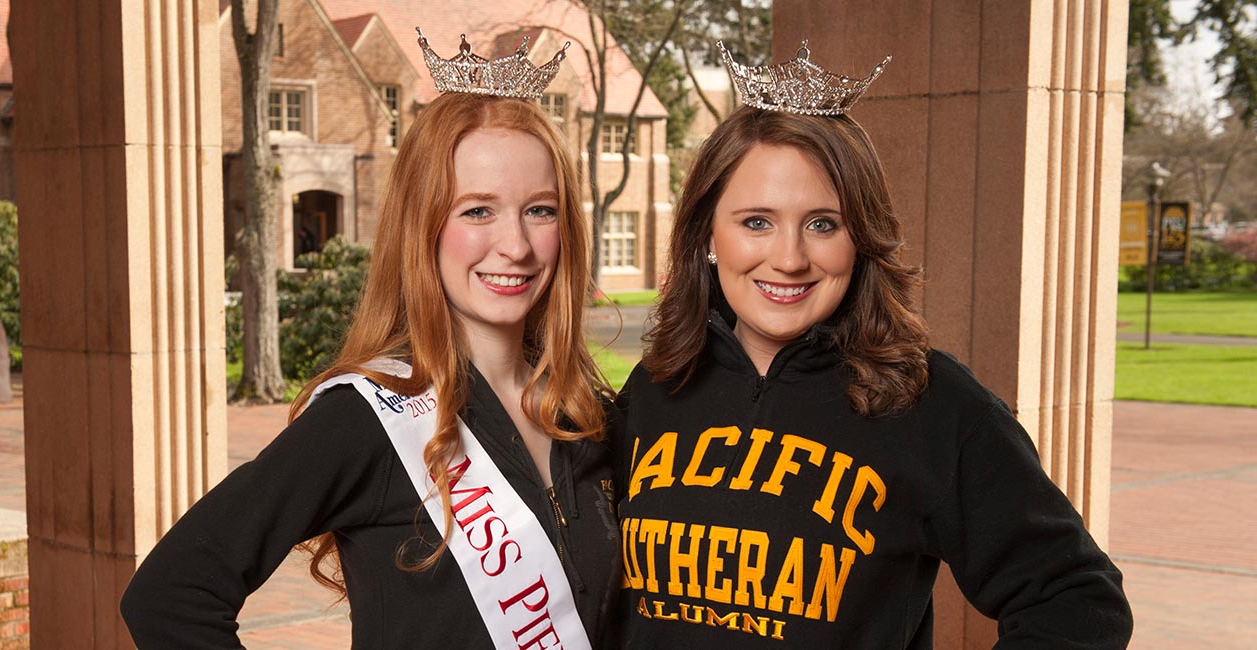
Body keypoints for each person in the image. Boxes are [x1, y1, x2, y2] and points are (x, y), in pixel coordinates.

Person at [612, 42, 1132, 648]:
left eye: (822, 224)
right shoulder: (655, 387)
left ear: (860, 239)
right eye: (757, 221)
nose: (788, 258)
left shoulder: (934, 405)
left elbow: (1077, 598)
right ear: (707, 234)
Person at [122, 33, 619, 649]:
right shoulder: (372, 417)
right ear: (423, 226)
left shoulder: (588, 418)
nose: (515, 246)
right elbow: (170, 594)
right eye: (477, 211)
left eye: (540, 210)